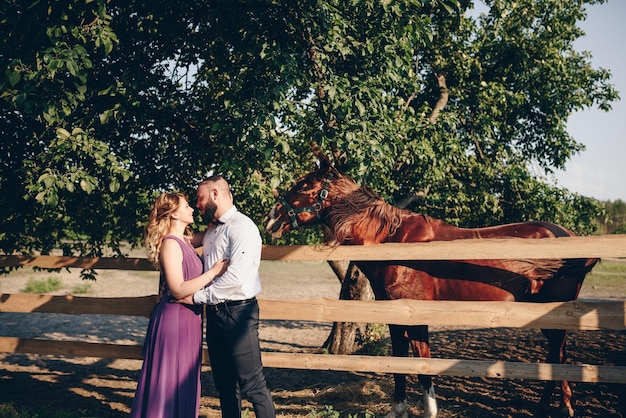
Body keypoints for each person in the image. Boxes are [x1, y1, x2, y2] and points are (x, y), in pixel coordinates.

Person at [130, 192, 228, 418]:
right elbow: (177, 288)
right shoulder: (171, 245)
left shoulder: (184, 240)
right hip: (173, 321)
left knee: (183, 377)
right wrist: (213, 272)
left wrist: (218, 213)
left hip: (189, 319)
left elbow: (211, 232)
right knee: (167, 380)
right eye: (187, 207)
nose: (192, 209)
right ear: (174, 214)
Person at [189, 175, 276, 418]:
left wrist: (197, 297)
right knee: (225, 385)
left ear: (215, 194)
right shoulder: (213, 229)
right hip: (216, 315)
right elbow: (185, 241)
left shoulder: (242, 227)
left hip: (238, 314)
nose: (198, 204)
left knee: (254, 386)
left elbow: (236, 276)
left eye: (201, 198)